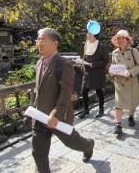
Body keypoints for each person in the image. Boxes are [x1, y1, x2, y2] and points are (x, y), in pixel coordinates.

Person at [33, 28, 94, 172]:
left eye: (43, 40)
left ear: (55, 43)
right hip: (39, 115)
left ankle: (89, 145)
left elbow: (66, 92)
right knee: (38, 151)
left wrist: (55, 113)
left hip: (58, 116)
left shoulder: (63, 63)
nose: (39, 44)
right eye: (38, 40)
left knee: (72, 143)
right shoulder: (39, 63)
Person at [109, 30, 139, 136]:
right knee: (118, 104)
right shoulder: (114, 53)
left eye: (123, 38)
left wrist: (131, 72)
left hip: (131, 82)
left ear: (127, 40)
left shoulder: (134, 51)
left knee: (133, 102)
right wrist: (111, 72)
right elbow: (113, 66)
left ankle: (131, 116)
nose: (121, 40)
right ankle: (118, 125)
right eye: (118, 38)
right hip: (119, 82)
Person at [78, 31, 109, 119]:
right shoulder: (86, 45)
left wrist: (94, 64)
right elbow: (84, 57)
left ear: (95, 35)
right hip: (87, 72)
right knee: (84, 91)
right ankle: (86, 110)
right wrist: (82, 63)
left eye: (90, 34)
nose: (88, 35)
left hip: (97, 72)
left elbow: (106, 60)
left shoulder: (101, 46)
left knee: (99, 91)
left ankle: (101, 109)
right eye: (87, 33)